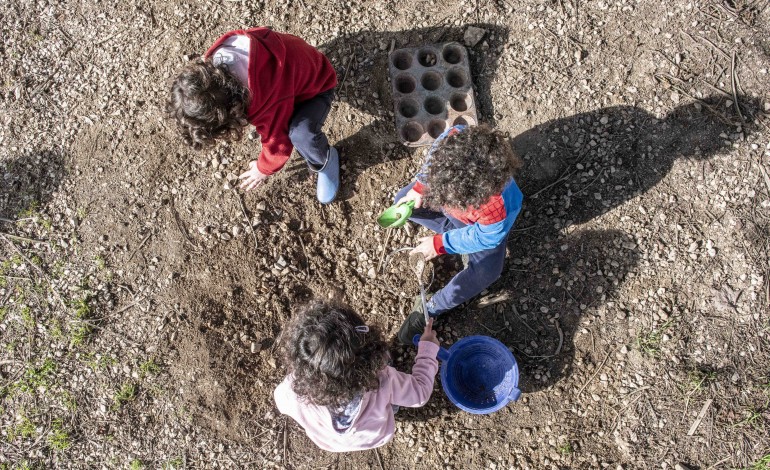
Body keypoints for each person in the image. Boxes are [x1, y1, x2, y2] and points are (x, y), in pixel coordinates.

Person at [166, 27, 340, 203]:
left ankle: (324, 160)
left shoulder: (265, 100)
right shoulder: (219, 58)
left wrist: (262, 169)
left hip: (318, 85)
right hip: (294, 63)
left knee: (301, 135)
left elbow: (277, 143)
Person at [394, 124, 523, 344]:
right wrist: (419, 189)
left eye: (448, 201)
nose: (439, 200)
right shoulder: (454, 139)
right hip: (459, 209)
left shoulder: (495, 208)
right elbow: (433, 161)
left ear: (471, 199)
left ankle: (432, 307)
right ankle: (455, 235)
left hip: (481, 229)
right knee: (402, 201)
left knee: (487, 271)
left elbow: (485, 237)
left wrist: (440, 244)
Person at [274, 301, 440, 452]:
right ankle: (392, 407)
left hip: (331, 442)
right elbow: (420, 392)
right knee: (389, 395)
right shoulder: (382, 380)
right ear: (369, 358)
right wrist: (428, 350)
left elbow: (280, 399)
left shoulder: (293, 389)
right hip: (376, 435)